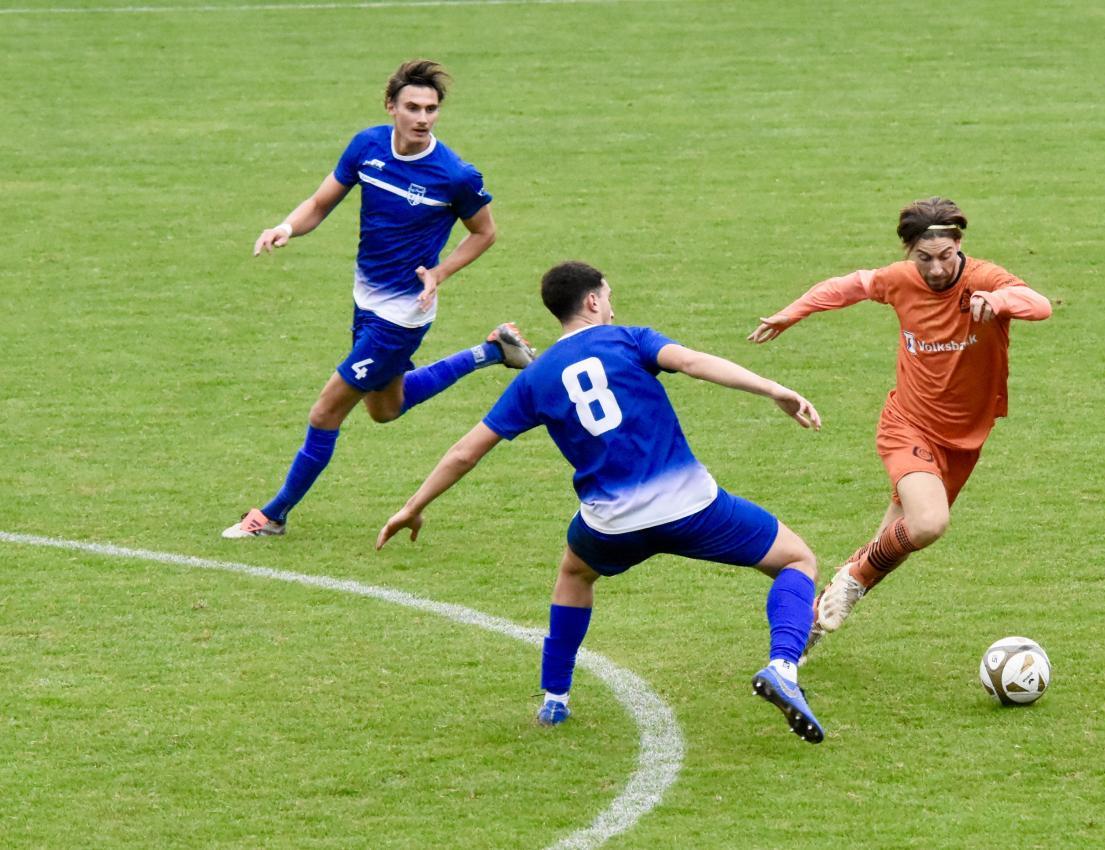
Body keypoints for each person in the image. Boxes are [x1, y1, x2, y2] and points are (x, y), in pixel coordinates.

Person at [377, 261, 829, 743]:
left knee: (575, 574)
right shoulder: (630, 339)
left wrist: (414, 505)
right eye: (608, 295)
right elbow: (696, 363)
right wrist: (774, 389)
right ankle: (784, 664)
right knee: (796, 559)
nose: (612, 305)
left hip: (610, 525)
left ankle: (554, 699)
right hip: (692, 507)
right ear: (592, 301)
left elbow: (467, 451)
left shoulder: (533, 379)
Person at [223, 59, 536, 539]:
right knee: (384, 409)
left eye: (431, 109)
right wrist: (286, 227)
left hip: (404, 314)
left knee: (326, 410)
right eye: (412, 107)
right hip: (366, 301)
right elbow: (320, 203)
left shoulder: (454, 175)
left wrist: (440, 272)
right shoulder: (367, 146)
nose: (422, 117)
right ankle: (494, 350)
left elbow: (484, 233)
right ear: (391, 106)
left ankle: (274, 514)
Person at [748, 197, 1052, 661]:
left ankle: (809, 626)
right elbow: (849, 286)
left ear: (959, 246)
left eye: (945, 257)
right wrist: (794, 311)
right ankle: (852, 578)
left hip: (965, 439)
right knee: (928, 524)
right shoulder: (901, 280)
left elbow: (1039, 304)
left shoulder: (985, 280)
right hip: (907, 425)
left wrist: (1000, 299)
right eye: (923, 258)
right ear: (910, 253)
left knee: (894, 545)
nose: (934, 270)